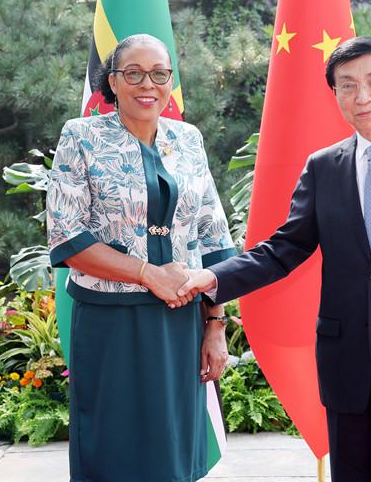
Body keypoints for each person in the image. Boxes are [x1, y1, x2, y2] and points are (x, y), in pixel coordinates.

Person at [177, 36, 371, 482]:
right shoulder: (324, 167)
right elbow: (284, 248)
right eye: (347, 85)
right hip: (345, 360)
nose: (362, 96)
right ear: (335, 94)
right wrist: (212, 278)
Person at [46, 33, 236, 482]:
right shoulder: (81, 136)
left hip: (180, 322)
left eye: (159, 73)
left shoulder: (188, 139)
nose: (147, 84)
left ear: (171, 81)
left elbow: (214, 235)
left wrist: (216, 325)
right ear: (112, 81)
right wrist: (148, 273)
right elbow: (67, 236)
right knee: (114, 447)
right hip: (110, 321)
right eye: (133, 73)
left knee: (173, 448)